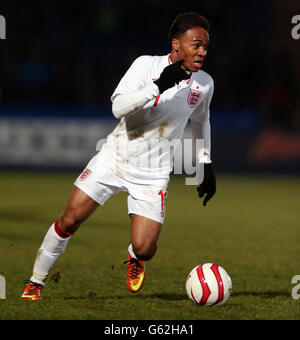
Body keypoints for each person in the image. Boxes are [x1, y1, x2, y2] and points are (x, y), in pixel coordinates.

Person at [21, 12, 216, 300]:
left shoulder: (204, 84)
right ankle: (36, 281)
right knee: (70, 219)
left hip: (153, 173)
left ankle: (135, 256)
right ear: (176, 44)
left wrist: (205, 162)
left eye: (205, 46)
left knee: (145, 248)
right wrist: (158, 85)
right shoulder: (145, 65)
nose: (202, 52)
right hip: (114, 158)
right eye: (196, 45)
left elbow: (201, 121)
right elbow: (118, 107)